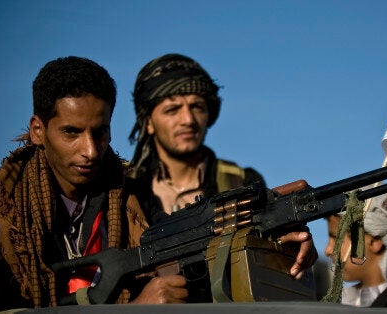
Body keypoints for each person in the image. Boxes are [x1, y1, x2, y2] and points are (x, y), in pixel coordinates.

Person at [0, 56, 187, 313]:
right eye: (72, 132)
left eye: (100, 131)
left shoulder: (137, 201)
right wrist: (135, 309)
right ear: (38, 130)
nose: (91, 151)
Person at [125, 53, 318, 302]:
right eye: (172, 109)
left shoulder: (240, 182)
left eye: (197, 107)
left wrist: (289, 244)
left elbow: (263, 245)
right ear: (148, 122)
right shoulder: (127, 191)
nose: (188, 120)